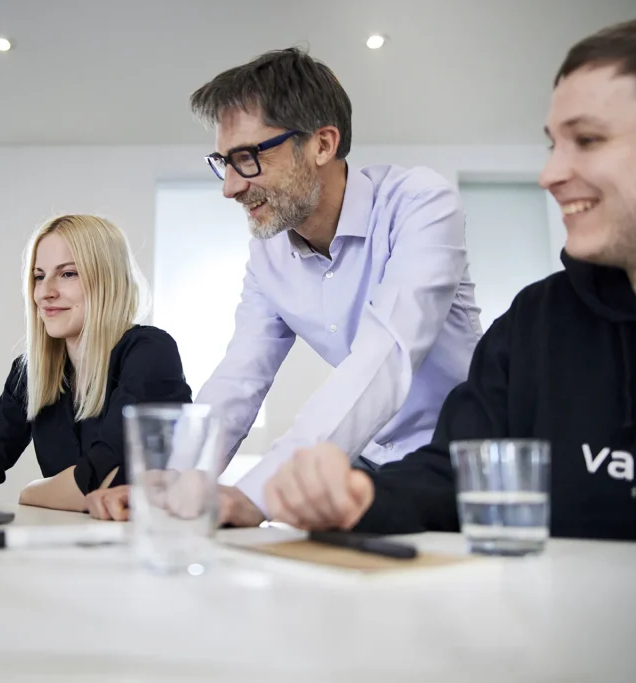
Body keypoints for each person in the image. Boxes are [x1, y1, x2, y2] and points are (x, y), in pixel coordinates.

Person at [261, 12, 636, 545]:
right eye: (553, 145)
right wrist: (361, 496)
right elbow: (451, 472)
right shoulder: (535, 323)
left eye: (589, 139)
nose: (550, 175)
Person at [87, 47, 483, 524]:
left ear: (322, 144)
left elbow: (385, 355)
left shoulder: (420, 204)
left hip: (458, 460)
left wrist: (255, 496)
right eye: (223, 162)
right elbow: (240, 377)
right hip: (367, 462)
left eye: (247, 158)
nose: (229, 187)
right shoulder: (267, 254)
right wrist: (172, 484)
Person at [0, 214, 193, 511]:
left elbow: (105, 480)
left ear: (108, 280)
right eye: (39, 277)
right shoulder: (31, 371)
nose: (45, 293)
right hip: (74, 541)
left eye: (68, 274)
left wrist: (32, 491)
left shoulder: (150, 351)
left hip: (148, 540)